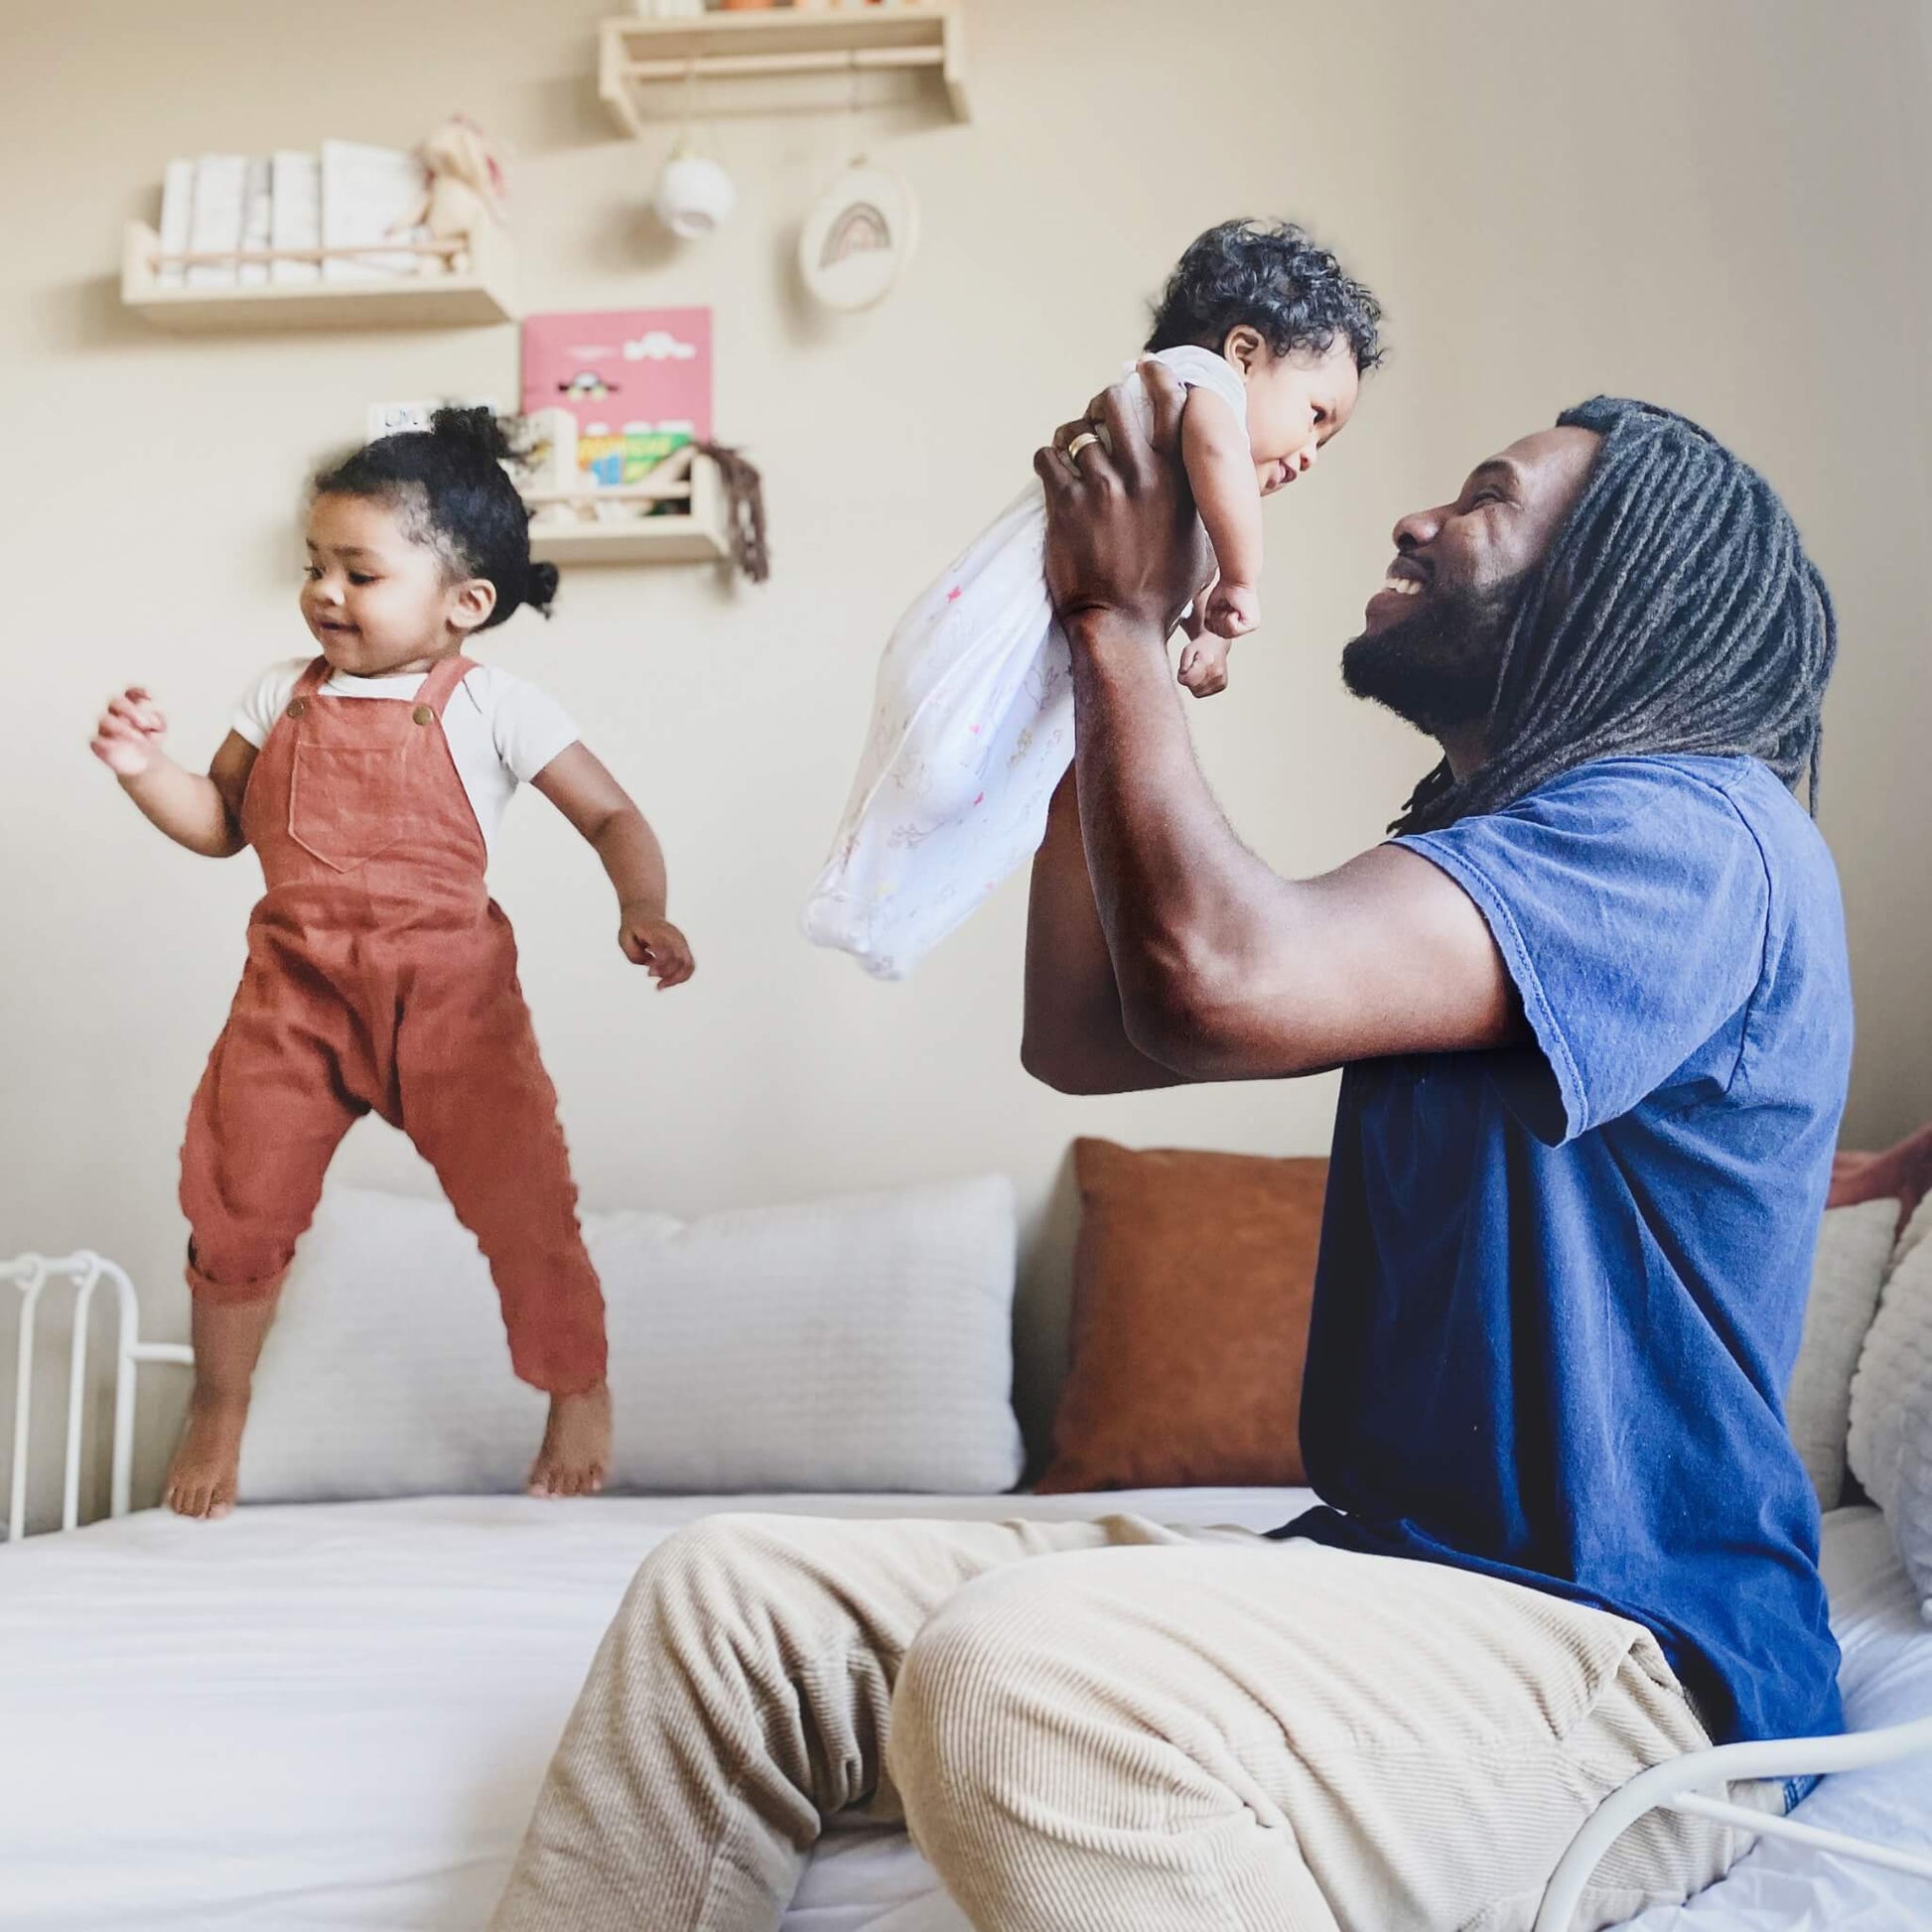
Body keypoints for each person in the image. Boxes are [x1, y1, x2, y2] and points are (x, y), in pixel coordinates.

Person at [491, 370, 1847, 1932]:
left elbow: (1219, 978)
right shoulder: (1512, 846)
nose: (1415, 511)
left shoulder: (1689, 832)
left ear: (1618, 585)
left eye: (1484, 498)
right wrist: (1094, 662)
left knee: (1026, 1681)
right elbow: (1086, 1034)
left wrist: (1125, 625)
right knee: (722, 1604)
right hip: (1388, 1579)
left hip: (1630, 1656)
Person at [88, 408, 695, 1520]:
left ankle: (575, 1381)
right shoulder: (280, 692)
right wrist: (142, 768)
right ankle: (219, 1404)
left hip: (450, 1001)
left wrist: (641, 903)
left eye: (358, 571)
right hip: (295, 998)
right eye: (313, 566)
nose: (324, 592)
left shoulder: (497, 706)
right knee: (233, 1200)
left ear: (462, 602)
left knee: (523, 1200)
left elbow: (611, 815)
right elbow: (220, 821)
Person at [802, 220, 1376, 981]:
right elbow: (1215, 456)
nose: (1309, 456)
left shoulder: (1198, 485)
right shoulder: (1196, 384)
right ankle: (863, 892)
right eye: (1316, 417)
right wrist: (1241, 579)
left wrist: (1214, 631)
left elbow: (1190, 550)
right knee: (943, 768)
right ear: (1242, 353)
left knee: (999, 801)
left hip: (1057, 651)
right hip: (1005, 618)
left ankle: (876, 914)